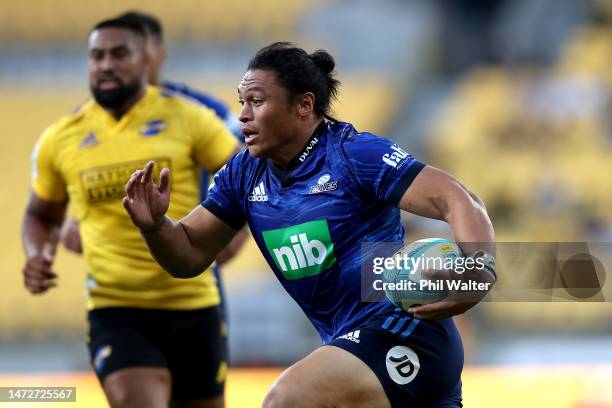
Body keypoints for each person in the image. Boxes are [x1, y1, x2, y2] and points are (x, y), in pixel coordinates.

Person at [123, 42, 496, 407]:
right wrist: (155, 226)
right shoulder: (243, 174)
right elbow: (187, 254)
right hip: (353, 350)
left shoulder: (353, 154)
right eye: (242, 102)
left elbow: (457, 198)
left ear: (304, 105)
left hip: (407, 336)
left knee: (287, 400)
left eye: (257, 101)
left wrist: (479, 271)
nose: (243, 116)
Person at [22, 16, 241, 408]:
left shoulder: (189, 117)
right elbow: (40, 214)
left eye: (119, 54)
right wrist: (38, 252)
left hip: (194, 303)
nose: (106, 64)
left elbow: (247, 178)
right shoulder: (62, 137)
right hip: (116, 308)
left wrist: (230, 237)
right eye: (97, 55)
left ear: (148, 61)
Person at [60, 10, 246, 265]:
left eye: (126, 53)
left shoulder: (202, 111)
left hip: (189, 262)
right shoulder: (85, 123)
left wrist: (232, 236)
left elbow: (249, 175)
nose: (116, 64)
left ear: (158, 55)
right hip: (117, 275)